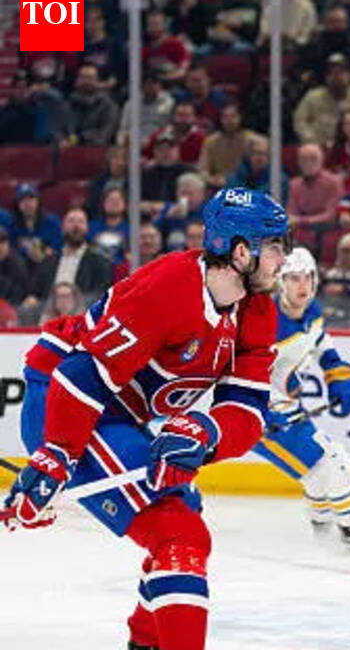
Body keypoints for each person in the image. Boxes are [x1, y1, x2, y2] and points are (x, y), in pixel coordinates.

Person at [2, 187, 288, 650]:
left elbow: (247, 411)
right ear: (241, 252)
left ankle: (146, 641)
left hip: (113, 410)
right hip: (65, 402)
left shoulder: (256, 311)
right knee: (181, 535)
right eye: (275, 246)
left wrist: (206, 432)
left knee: (184, 524)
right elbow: (82, 375)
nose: (283, 259)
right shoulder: (170, 285)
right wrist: (57, 454)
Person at [250, 248, 350, 550]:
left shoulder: (311, 312)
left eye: (307, 277)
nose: (302, 285)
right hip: (258, 417)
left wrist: (339, 376)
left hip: (286, 408)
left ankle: (320, 525)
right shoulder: (266, 323)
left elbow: (322, 343)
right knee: (331, 461)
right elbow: (243, 372)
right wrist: (265, 406)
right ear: (281, 282)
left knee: (322, 468)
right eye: (293, 278)